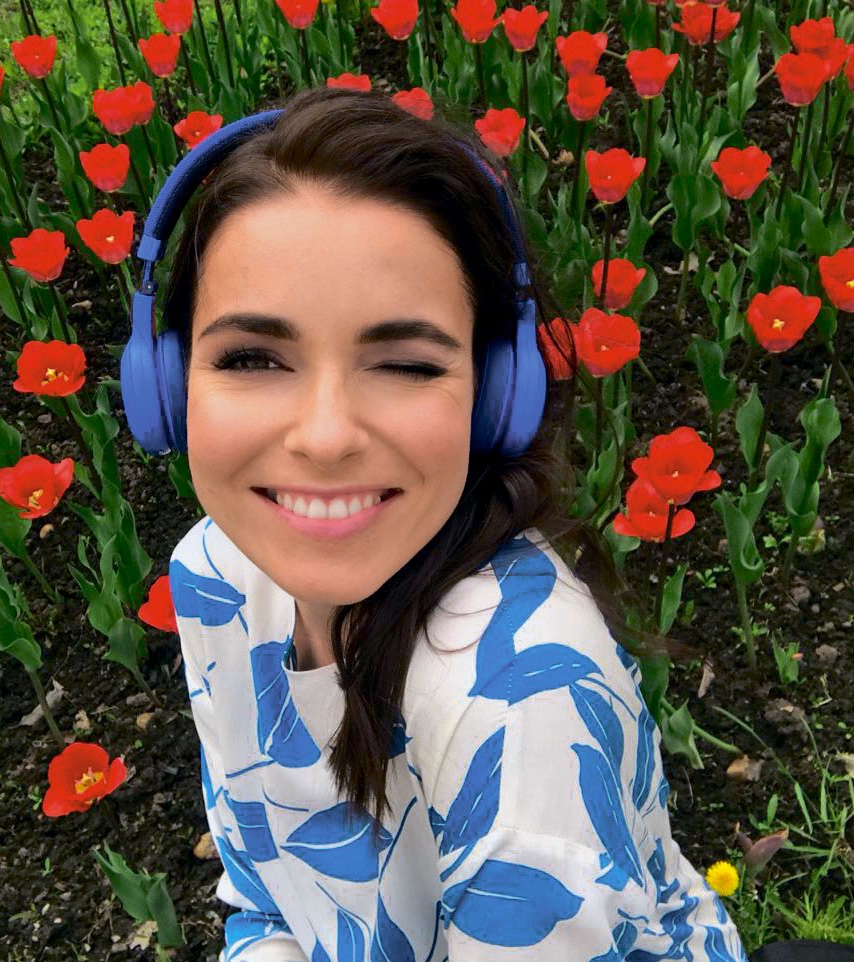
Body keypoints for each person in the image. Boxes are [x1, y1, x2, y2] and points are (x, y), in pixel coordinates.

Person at [157, 85, 749, 961]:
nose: (324, 436)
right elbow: (266, 904)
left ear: (497, 394)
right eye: (252, 358)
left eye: (404, 364)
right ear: (166, 383)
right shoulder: (215, 573)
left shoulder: (521, 708)